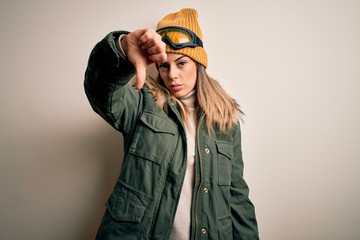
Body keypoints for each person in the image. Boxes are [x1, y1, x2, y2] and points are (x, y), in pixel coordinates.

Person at [84, 8, 259, 240]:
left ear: (198, 64)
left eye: (182, 63)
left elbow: (237, 195)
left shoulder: (225, 120)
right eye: (164, 66)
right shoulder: (143, 101)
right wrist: (122, 48)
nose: (172, 75)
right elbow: (102, 92)